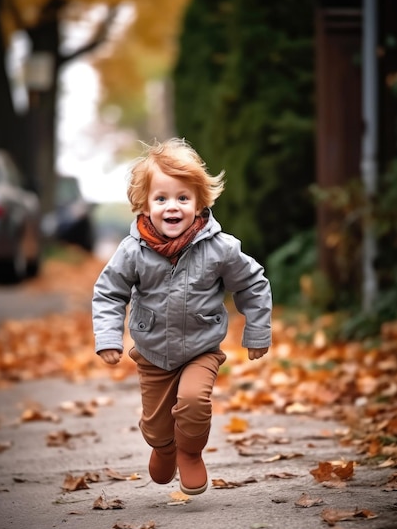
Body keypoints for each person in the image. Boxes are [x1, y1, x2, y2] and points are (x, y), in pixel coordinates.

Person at [92, 138, 272, 495]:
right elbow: (109, 292)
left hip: (201, 348)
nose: (171, 207)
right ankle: (164, 447)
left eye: (182, 198)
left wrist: (257, 331)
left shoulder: (220, 247)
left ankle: (190, 452)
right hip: (153, 351)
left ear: (199, 202)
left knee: (193, 402)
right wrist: (109, 338)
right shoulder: (133, 251)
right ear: (144, 204)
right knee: (157, 426)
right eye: (161, 199)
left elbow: (252, 281)